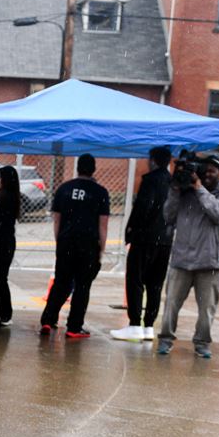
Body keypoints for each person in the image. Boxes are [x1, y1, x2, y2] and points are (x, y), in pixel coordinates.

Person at [156, 154, 219, 359]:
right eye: (205, 170)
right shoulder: (185, 191)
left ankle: (202, 342)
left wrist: (199, 188)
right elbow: (168, 216)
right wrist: (175, 190)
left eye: (212, 171)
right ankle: (165, 339)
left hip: (210, 262)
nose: (207, 174)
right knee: (171, 304)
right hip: (182, 259)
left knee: (206, 309)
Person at [39, 153, 110, 339]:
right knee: (82, 286)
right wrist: (101, 250)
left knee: (61, 283)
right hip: (88, 245)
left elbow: (57, 220)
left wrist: (60, 242)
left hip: (66, 243)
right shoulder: (100, 193)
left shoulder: (64, 189)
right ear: (93, 169)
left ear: (78, 167)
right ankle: (74, 326)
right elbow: (103, 225)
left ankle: (48, 319)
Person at [111, 146, 173, 342]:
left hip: (145, 238)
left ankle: (135, 323)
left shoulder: (150, 181)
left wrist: (131, 231)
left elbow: (142, 208)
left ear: (153, 160)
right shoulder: (174, 183)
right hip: (165, 240)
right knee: (155, 284)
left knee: (135, 281)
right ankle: (149, 326)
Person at [0, 165, 20, 327]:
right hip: (7, 242)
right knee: (0, 278)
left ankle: (1, 312)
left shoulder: (1, 198)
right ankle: (3, 313)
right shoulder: (13, 197)